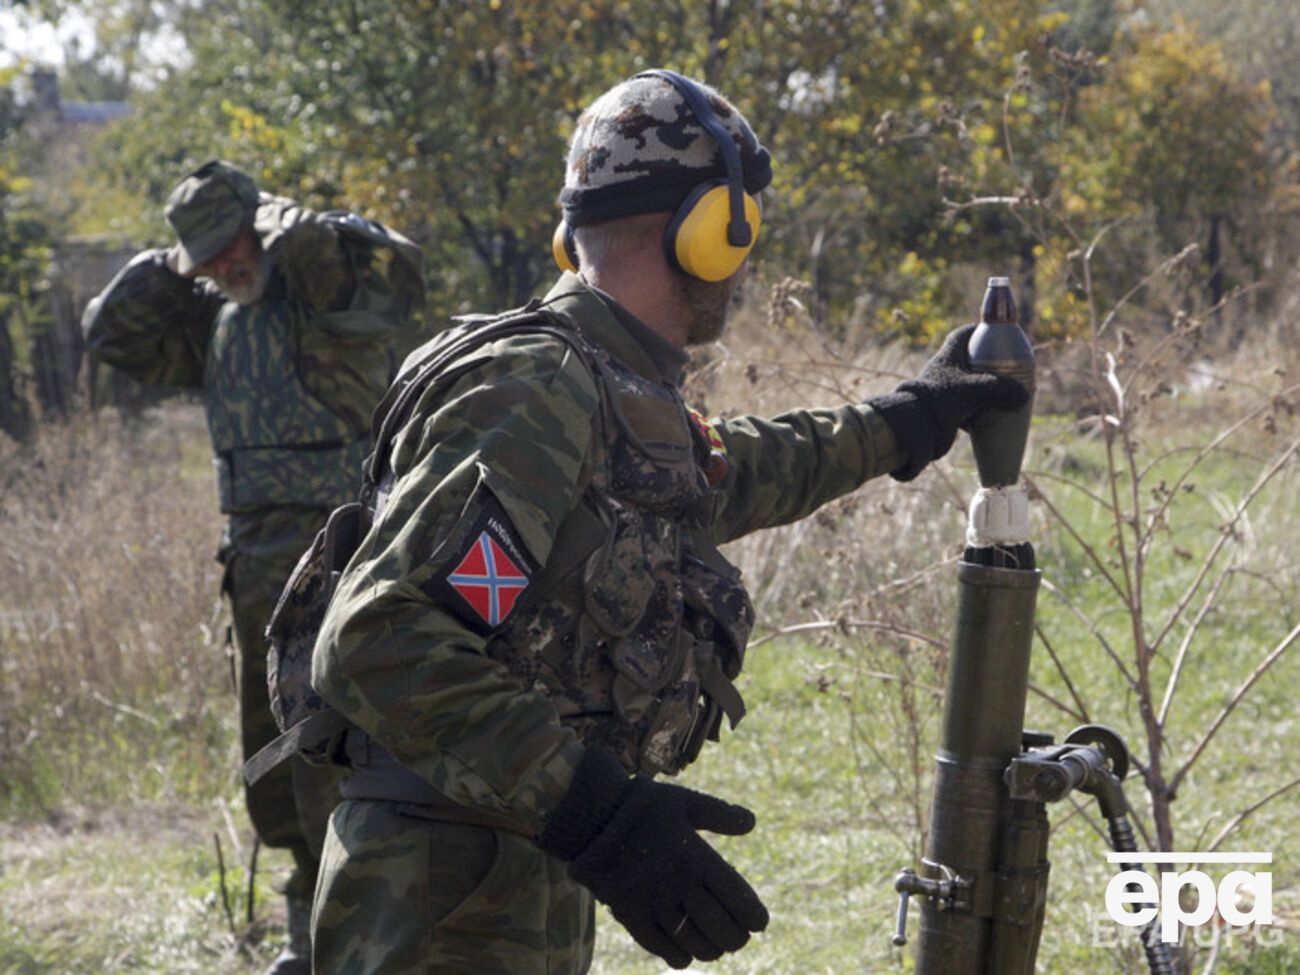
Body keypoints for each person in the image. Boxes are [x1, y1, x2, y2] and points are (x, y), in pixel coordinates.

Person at [308, 70, 1027, 974]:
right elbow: (377, 636)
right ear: (712, 230)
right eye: (746, 227)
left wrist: (909, 419)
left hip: (494, 871)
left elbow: (731, 472)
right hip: (439, 900)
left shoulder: (606, 389)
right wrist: (598, 812)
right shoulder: (535, 388)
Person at [82, 160, 425, 975]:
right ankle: (312, 939)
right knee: (274, 757)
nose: (221, 267)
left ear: (260, 223)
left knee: (335, 747)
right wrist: (177, 259)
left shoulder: (319, 282)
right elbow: (110, 331)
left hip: (339, 549)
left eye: (228, 246)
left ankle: (372, 941)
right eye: (203, 258)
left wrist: (267, 220)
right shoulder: (217, 316)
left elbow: (348, 252)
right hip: (255, 565)